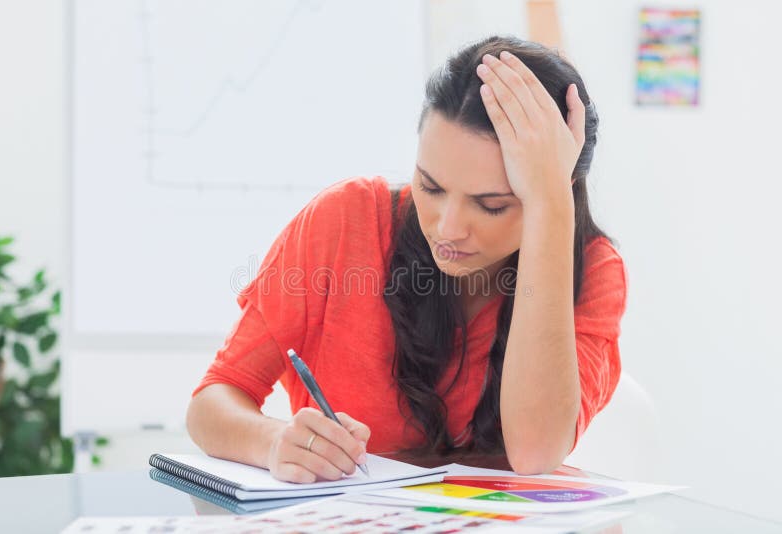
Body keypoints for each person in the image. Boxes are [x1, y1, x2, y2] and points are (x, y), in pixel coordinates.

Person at [186, 35, 627, 483]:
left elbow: (535, 453)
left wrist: (551, 205)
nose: (448, 227)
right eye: (431, 187)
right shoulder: (345, 219)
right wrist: (273, 442)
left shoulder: (593, 268)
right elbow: (212, 401)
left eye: (491, 204)